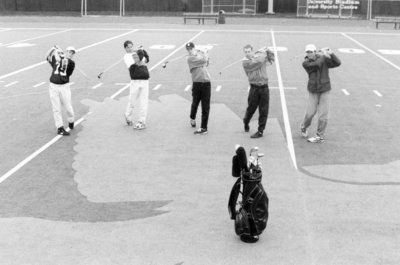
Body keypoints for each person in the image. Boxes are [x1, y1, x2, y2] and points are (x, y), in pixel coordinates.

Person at [300, 44, 341, 143]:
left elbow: (337, 63)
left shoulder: (324, 59)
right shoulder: (306, 63)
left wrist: (331, 53)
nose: (309, 54)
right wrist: (323, 55)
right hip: (313, 90)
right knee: (310, 113)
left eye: (311, 52)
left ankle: (320, 135)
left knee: (323, 115)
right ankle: (304, 126)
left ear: (315, 52)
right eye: (308, 52)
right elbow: (317, 65)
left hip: (325, 89)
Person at [242, 44, 273, 139]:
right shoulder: (245, 62)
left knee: (264, 110)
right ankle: (246, 121)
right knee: (251, 108)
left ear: (252, 51)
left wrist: (267, 51)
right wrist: (261, 53)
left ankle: (260, 130)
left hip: (264, 87)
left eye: (249, 51)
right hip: (254, 88)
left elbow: (271, 57)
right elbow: (259, 62)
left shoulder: (259, 57)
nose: (247, 53)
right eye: (246, 52)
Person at [45, 45, 76, 136]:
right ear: (66, 52)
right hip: (53, 86)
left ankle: (71, 120)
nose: (70, 54)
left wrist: (61, 57)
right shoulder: (57, 59)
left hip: (64, 87)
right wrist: (53, 49)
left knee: (68, 107)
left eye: (72, 53)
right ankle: (60, 128)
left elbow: (67, 73)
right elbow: (46, 56)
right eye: (69, 52)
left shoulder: (71, 63)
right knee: (56, 108)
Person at [123, 40, 150, 130]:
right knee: (132, 100)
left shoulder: (137, 54)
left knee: (143, 102)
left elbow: (146, 60)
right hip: (135, 80)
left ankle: (141, 121)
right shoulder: (127, 56)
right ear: (125, 48)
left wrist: (143, 52)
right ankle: (128, 116)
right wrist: (140, 53)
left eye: (132, 46)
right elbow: (137, 62)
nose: (131, 49)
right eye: (129, 47)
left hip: (144, 80)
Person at [186, 42, 211, 135]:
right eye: (188, 50)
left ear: (194, 48)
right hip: (197, 83)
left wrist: (204, 52)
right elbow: (204, 60)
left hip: (206, 83)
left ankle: (204, 127)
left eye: (191, 49)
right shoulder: (190, 58)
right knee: (195, 103)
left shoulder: (198, 55)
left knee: (205, 106)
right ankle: (192, 117)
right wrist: (204, 52)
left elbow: (207, 63)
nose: (190, 51)